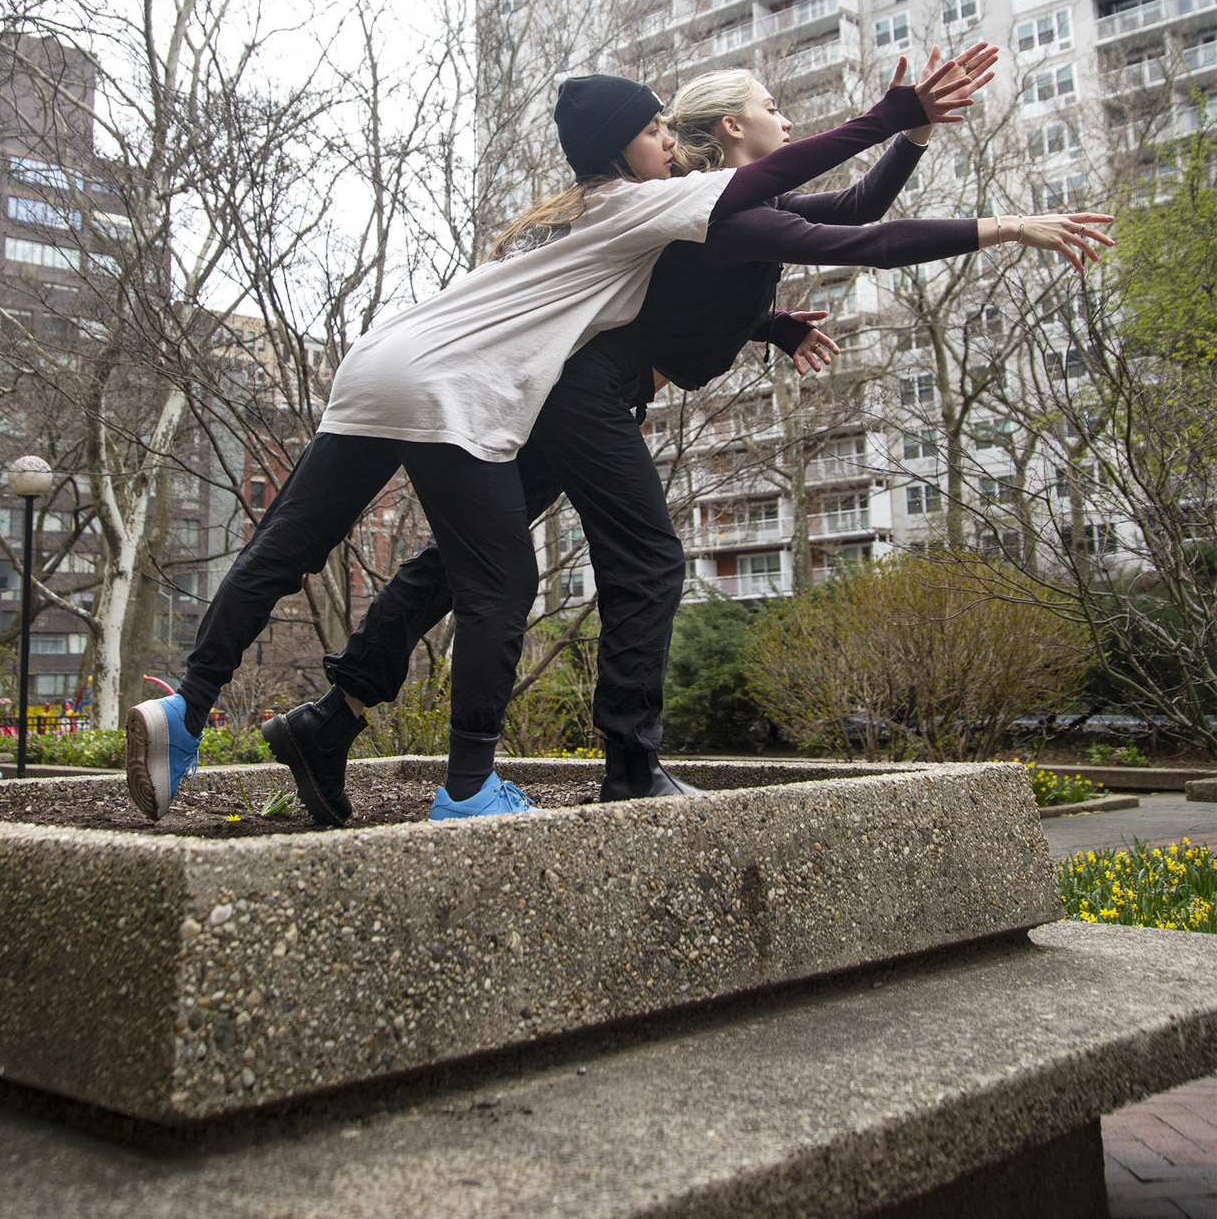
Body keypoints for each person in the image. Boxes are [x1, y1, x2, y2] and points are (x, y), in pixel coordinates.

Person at [264, 46, 1109, 825]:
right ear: (736, 127)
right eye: (774, 105)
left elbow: (843, 211)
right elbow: (868, 239)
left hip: (574, 395)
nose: (788, 117)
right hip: (585, 397)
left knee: (455, 565)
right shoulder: (725, 214)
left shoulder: (725, 212)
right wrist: (1008, 226)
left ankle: (331, 720)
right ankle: (631, 764)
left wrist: (907, 147)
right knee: (650, 562)